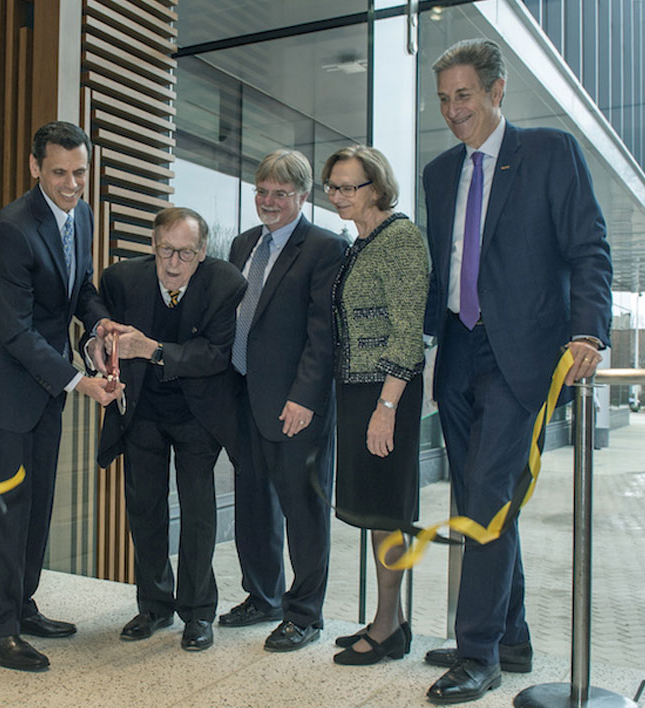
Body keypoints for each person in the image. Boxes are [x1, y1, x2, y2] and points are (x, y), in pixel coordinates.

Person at [421, 39, 612, 704]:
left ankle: (477, 654)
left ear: (497, 92)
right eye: (444, 99)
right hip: (457, 352)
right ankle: (510, 636)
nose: (453, 109)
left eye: (464, 95)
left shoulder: (550, 154)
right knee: (480, 500)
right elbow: (443, 268)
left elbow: (589, 246)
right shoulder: (440, 172)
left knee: (492, 494)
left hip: (523, 355)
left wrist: (587, 329)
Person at [0, 121, 122, 672]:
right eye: (59, 172)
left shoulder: (82, 213)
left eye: (80, 171)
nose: (73, 183)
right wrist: (80, 382)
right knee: (6, 509)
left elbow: (82, 291)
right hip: (4, 391)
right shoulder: (9, 229)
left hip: (44, 390)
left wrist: (99, 328)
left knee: (39, 505)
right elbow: (15, 331)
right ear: (34, 168)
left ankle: (22, 605)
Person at [92, 207, 247, 652]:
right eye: (165, 251)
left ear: (202, 253)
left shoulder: (225, 283)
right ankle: (155, 605)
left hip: (199, 413)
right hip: (142, 410)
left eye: (185, 253)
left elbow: (216, 354)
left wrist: (154, 350)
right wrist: (99, 343)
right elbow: (96, 316)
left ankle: (198, 612)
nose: (173, 263)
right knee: (145, 508)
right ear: (153, 246)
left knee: (198, 513)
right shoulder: (122, 279)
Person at [222, 149, 346, 652]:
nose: (268, 201)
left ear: (303, 196)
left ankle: (304, 614)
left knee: (303, 508)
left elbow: (324, 334)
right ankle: (262, 595)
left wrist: (304, 398)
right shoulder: (242, 244)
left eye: (280, 193)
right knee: (253, 502)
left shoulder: (325, 248)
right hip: (244, 395)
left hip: (295, 404)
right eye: (262, 192)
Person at [323, 146, 429, 666]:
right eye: (333, 187)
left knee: (388, 511)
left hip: (388, 392)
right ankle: (392, 621)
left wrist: (386, 406)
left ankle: (387, 628)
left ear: (377, 187)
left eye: (349, 187)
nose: (338, 196)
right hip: (359, 390)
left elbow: (409, 333)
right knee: (373, 512)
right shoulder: (361, 242)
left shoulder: (401, 239)